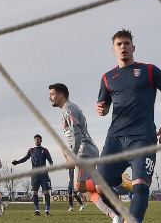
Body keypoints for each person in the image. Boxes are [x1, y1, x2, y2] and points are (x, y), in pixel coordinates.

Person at [95, 29, 161, 223]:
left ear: (133, 47)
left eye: (126, 43)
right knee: (100, 186)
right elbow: (104, 107)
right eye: (119, 44)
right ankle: (121, 214)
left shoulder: (150, 71)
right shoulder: (107, 77)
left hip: (143, 137)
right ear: (113, 50)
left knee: (140, 185)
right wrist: (101, 109)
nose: (123, 47)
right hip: (115, 139)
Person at [49, 83, 120, 219]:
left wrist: (73, 156)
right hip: (86, 150)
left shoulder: (68, 108)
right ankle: (115, 215)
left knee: (79, 186)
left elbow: (77, 134)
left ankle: (107, 180)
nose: (50, 97)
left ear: (61, 94)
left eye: (52, 94)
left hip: (84, 151)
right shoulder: (69, 108)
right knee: (85, 190)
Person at [12, 134, 54, 216]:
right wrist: (17, 162)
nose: (36, 141)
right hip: (34, 174)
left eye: (38, 139)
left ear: (41, 140)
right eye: (35, 140)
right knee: (34, 192)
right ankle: (37, 210)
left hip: (44, 174)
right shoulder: (31, 150)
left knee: (46, 191)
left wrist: (52, 165)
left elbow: (50, 160)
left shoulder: (45, 150)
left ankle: (47, 211)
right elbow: (25, 158)